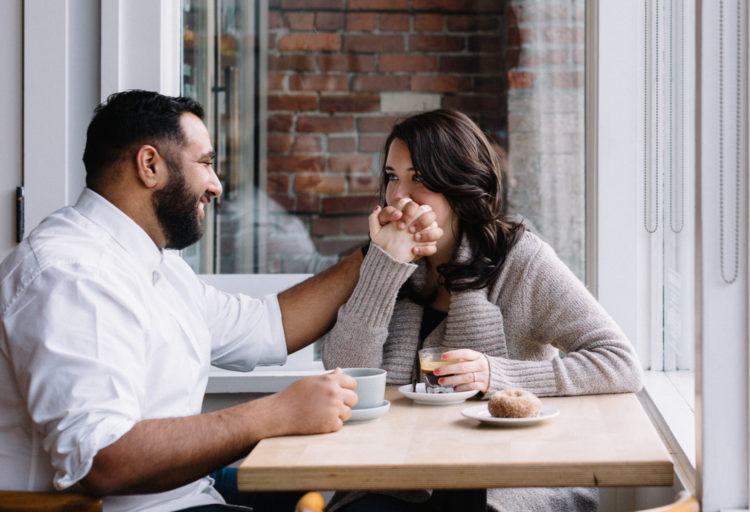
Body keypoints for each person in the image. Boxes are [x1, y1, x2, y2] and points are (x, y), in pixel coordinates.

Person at [0, 90, 443, 512]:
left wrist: (377, 252)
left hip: (188, 495)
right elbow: (102, 459)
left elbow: (268, 326)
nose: (215, 186)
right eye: (206, 163)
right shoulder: (72, 276)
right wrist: (274, 414)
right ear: (149, 165)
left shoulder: (155, 264)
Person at [321, 109, 644, 512]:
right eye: (392, 176)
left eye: (419, 178)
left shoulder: (521, 260)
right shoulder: (385, 261)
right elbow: (345, 374)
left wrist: (496, 375)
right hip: (398, 475)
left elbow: (619, 363)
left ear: (458, 185)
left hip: (501, 479)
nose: (398, 196)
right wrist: (384, 267)